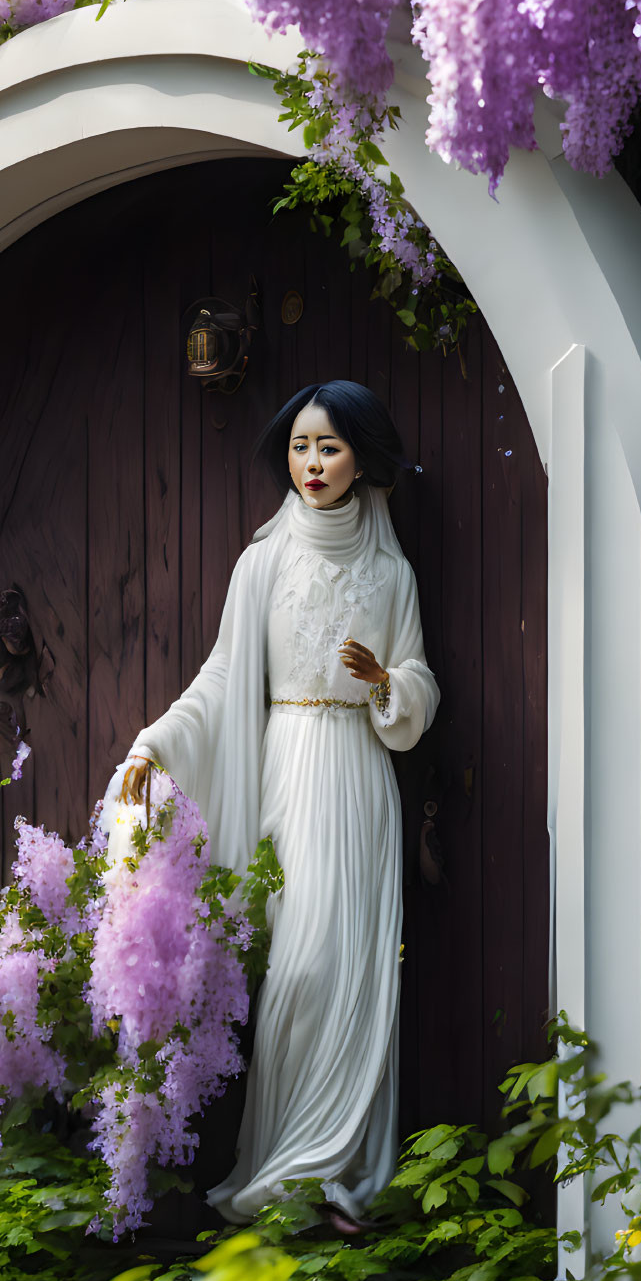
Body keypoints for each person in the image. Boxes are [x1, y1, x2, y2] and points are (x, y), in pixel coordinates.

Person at [110, 380, 439, 1227]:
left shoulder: (389, 570)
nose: (313, 463)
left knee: (353, 969)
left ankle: (340, 1174)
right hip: (288, 767)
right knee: (295, 972)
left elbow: (420, 682)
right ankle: (283, 1170)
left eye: (328, 447)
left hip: (360, 777)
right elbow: (222, 678)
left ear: (361, 456)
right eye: (299, 446)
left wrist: (387, 684)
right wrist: (154, 740)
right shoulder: (263, 562)